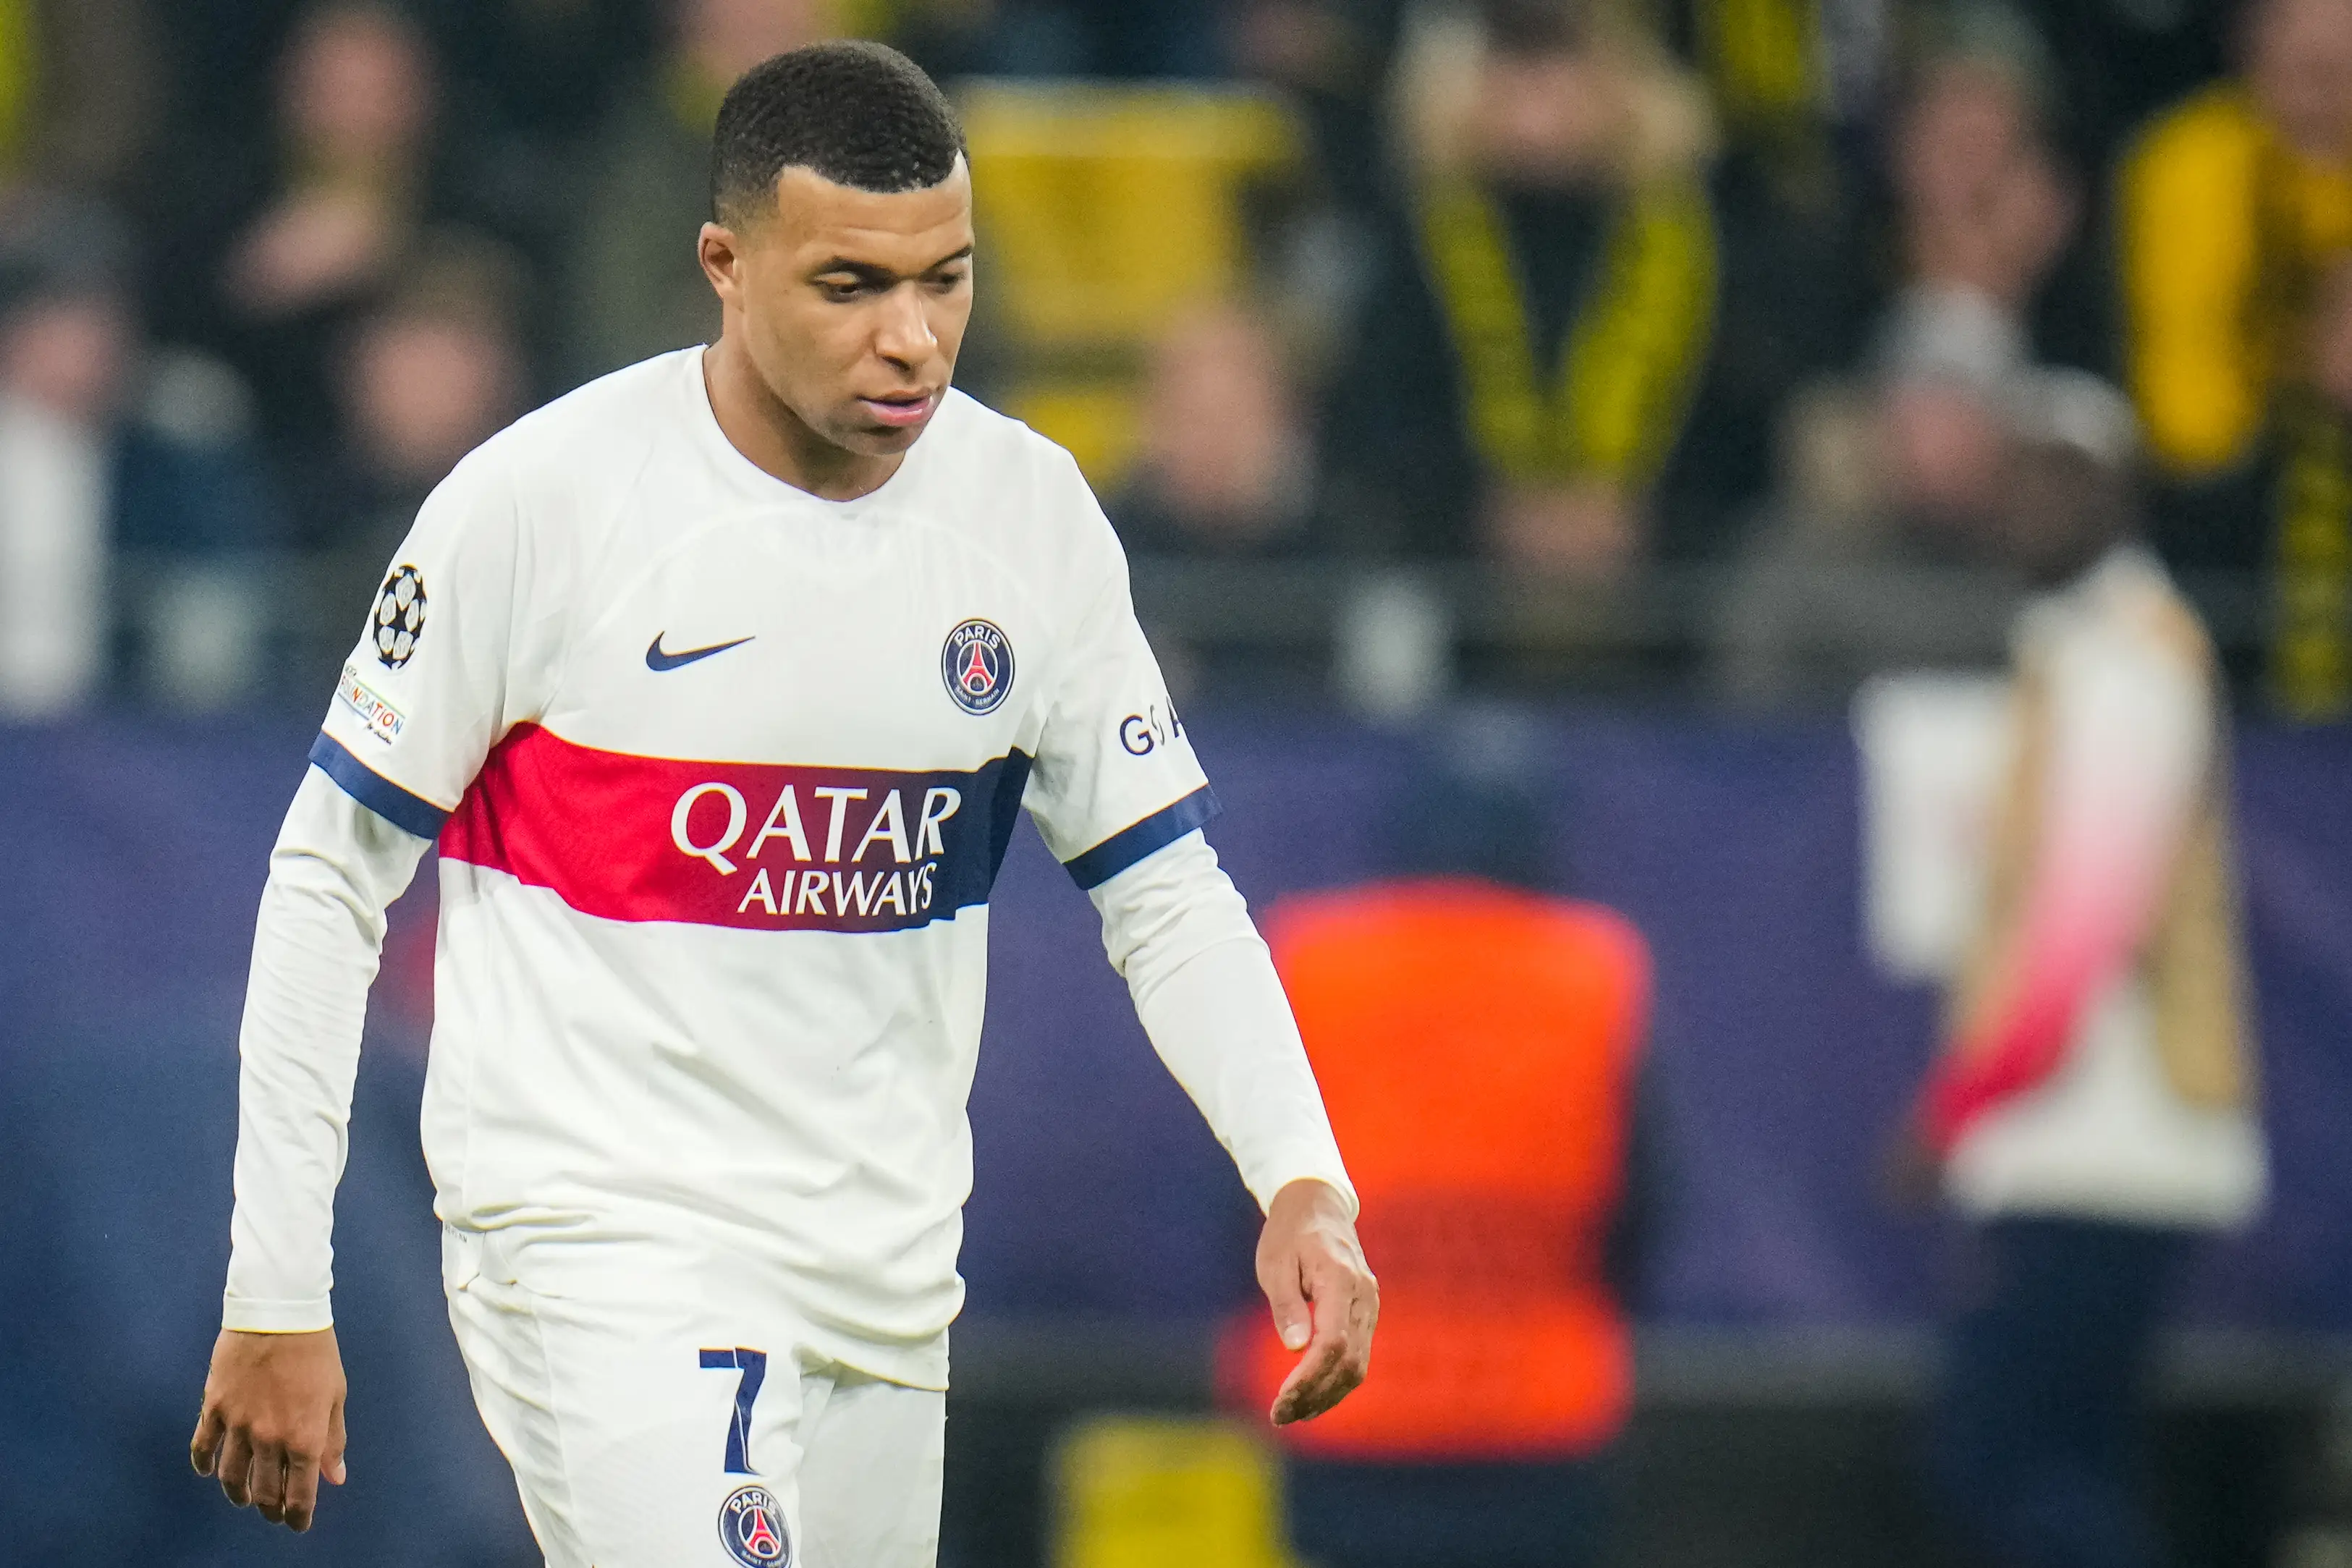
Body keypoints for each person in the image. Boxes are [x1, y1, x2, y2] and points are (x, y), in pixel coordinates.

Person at [186, 41, 1376, 1566]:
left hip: (885, 1279)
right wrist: (277, 1283)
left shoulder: (1025, 520)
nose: (912, 339)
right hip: (605, 1243)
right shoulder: (542, 505)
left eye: (945, 280)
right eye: (850, 287)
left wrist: (1298, 1177)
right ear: (725, 267)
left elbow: (1163, 887)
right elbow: (324, 878)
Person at [1886, 374, 2265, 1568]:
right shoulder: (2081, 654)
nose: (2021, 506)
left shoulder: (2126, 662)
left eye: (2056, 478)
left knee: (2005, 1458)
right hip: (2087, 1137)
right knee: (2070, 1457)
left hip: (2103, 1136)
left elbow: (2085, 926)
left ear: (2114, 494)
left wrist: (1959, 1105)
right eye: (2016, 477)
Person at [1221, 711, 1654, 1568]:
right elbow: (1643, 1205)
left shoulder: (1312, 960)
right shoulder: (1596, 970)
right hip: (1539, 1420)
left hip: (1341, 1414)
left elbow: (1236, 1200)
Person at [1321, 0, 1719, 576]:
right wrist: (1487, 510)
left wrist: (1636, 512)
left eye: (1562, 65)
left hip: (1666, 567)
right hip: (1458, 563)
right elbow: (1380, 414)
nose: (1540, 94)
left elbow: (1726, 419)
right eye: (1517, 65)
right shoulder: (1424, 236)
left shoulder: (1683, 237)